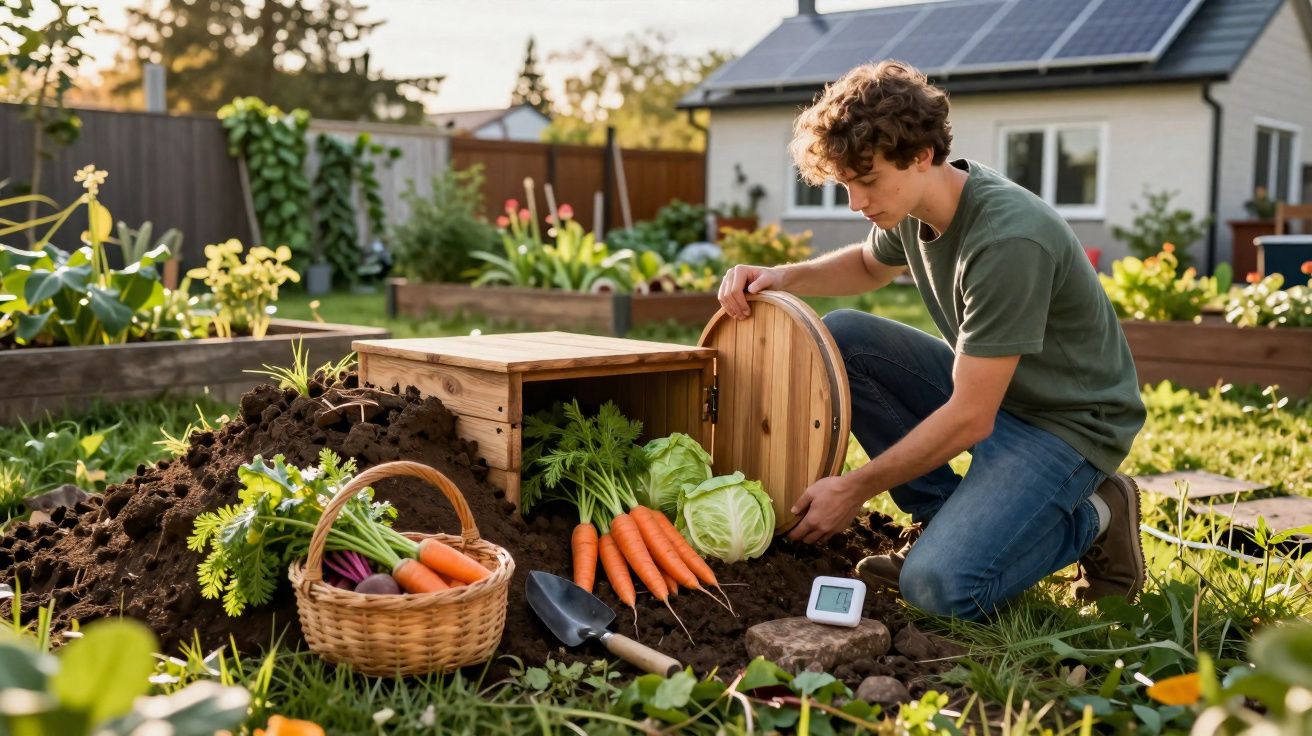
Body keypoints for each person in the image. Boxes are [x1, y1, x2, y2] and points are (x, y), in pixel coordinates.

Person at [715, 61, 1147, 621]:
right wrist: (783, 275)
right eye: (847, 183)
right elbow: (870, 266)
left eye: (866, 181)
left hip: (1066, 422)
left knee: (940, 591)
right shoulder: (915, 203)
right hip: (998, 392)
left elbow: (971, 417)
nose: (855, 201)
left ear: (921, 155)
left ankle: (1099, 513)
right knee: (843, 336)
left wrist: (853, 488)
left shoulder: (1006, 239)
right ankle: (945, 517)